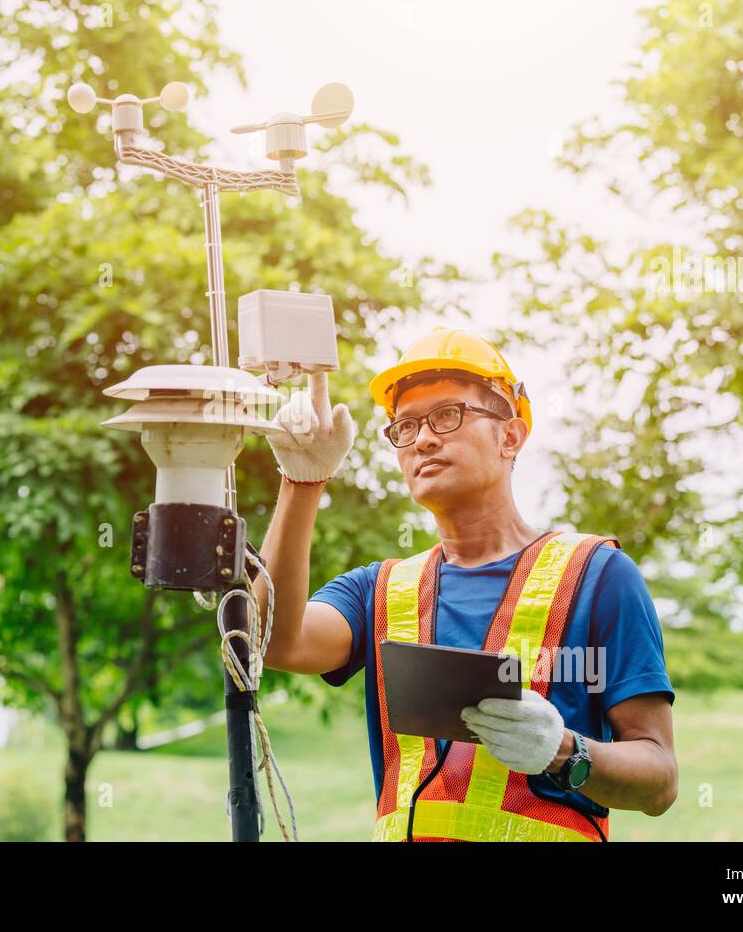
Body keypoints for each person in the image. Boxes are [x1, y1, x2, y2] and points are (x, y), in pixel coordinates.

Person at [254, 326, 677, 841]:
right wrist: (301, 481)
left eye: (447, 415)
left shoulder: (598, 575)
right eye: (404, 426)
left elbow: (660, 782)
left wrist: (565, 751)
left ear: (511, 435)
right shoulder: (380, 590)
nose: (424, 438)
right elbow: (273, 642)